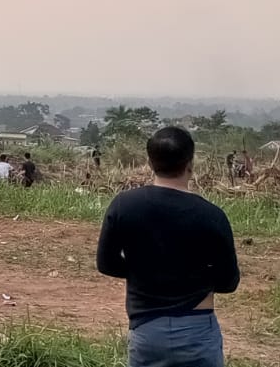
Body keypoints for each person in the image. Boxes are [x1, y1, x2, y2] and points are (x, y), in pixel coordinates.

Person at [97, 126, 239, 367]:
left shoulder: (124, 205)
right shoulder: (211, 215)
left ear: (150, 163)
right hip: (197, 329)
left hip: (147, 328)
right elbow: (229, 281)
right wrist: (192, 277)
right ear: (190, 163)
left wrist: (144, 271)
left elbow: (106, 263)